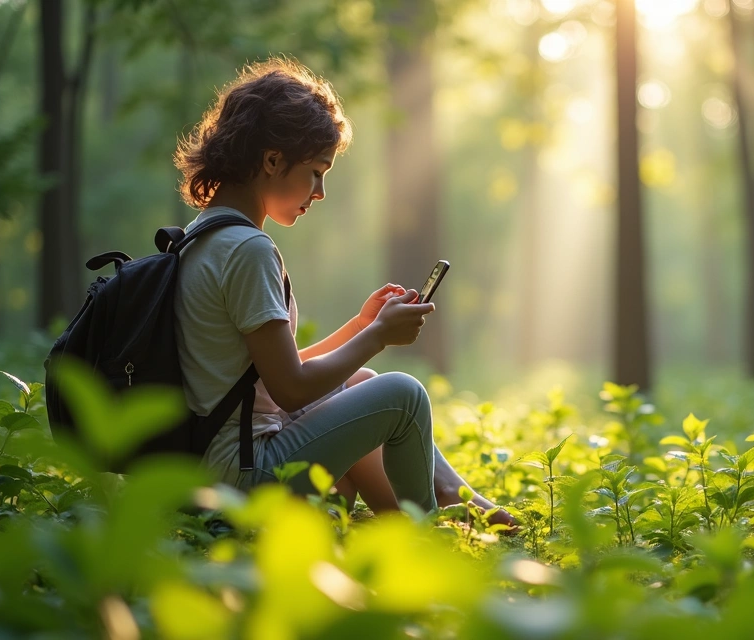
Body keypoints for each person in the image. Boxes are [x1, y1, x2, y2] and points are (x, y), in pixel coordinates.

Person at [171, 57, 514, 529]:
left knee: (361, 380)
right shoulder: (248, 249)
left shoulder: (202, 236)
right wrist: (378, 336)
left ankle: (436, 508)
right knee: (403, 393)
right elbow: (290, 389)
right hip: (243, 477)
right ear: (272, 160)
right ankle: (430, 534)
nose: (320, 191)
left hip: (209, 470)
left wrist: (360, 327)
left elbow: (262, 377)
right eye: (316, 171)